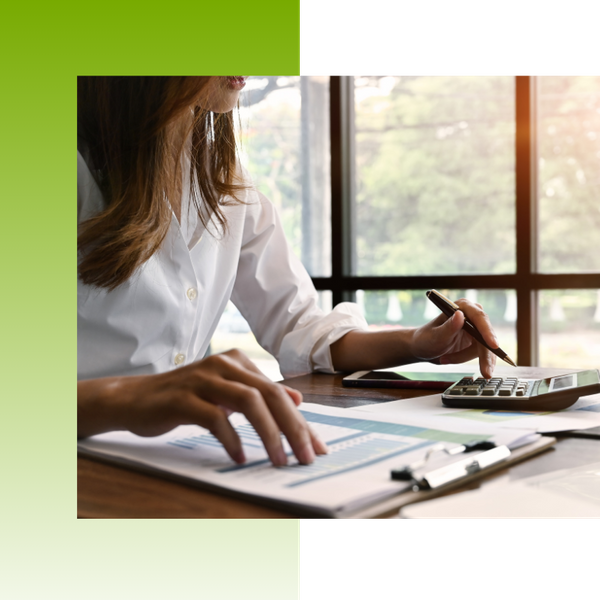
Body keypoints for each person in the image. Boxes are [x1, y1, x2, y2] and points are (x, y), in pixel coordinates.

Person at [77, 76, 499, 468]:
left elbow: (301, 328)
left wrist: (418, 341)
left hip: (175, 462)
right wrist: (128, 397)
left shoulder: (224, 185)